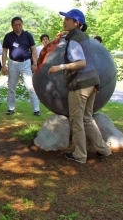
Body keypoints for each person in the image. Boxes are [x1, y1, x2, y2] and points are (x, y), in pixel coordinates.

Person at [48, 9, 111, 163]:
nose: (64, 21)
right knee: (87, 119)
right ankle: (104, 150)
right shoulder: (82, 36)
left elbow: (81, 63)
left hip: (80, 85)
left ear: (76, 23)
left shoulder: (74, 40)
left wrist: (60, 67)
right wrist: (65, 35)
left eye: (68, 19)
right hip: (92, 82)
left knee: (76, 121)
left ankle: (80, 155)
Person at [1, 16, 41, 116]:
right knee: (11, 87)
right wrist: (4, 65)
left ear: (22, 25)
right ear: (12, 26)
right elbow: (5, 51)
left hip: (26, 63)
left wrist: (35, 63)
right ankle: (11, 108)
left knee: (30, 87)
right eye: (15, 25)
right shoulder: (8, 36)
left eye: (19, 25)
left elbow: (33, 49)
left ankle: (36, 109)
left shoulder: (27, 35)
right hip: (13, 63)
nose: (18, 27)